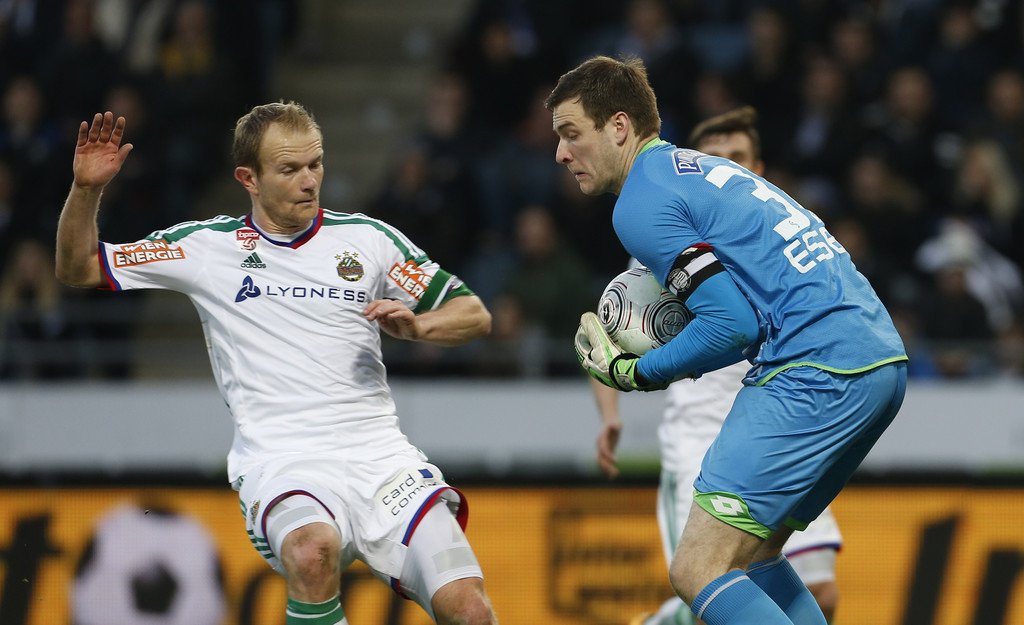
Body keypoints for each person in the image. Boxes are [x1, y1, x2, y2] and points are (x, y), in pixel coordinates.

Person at [55, 104, 499, 625]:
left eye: (316, 164)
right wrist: (85, 190)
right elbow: (79, 267)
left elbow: (473, 313)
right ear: (249, 178)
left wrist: (421, 327)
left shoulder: (370, 240)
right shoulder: (207, 248)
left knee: (470, 610)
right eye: (289, 169)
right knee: (312, 551)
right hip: (284, 461)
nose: (309, 181)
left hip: (383, 461)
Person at [549, 56, 907, 625]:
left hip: (812, 367)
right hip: (877, 358)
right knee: (755, 559)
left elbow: (731, 324)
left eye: (571, 134)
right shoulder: (697, 170)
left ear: (619, 127)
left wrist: (637, 373)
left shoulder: (640, 202)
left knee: (698, 570)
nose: (561, 154)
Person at [589, 107, 842, 625]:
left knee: (821, 590)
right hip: (701, 437)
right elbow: (608, 332)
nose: (729, 165)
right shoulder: (667, 243)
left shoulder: (777, 236)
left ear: (757, 168)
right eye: (717, 157)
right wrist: (610, 412)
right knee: (708, 591)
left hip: (781, 422)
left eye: (739, 156)